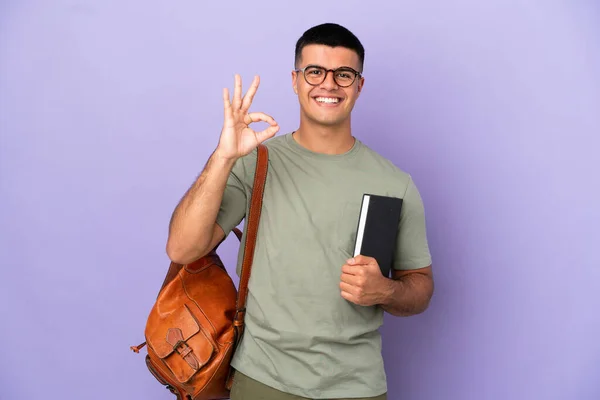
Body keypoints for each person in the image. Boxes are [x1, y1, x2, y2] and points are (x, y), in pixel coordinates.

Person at [166, 22, 434, 400]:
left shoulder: (395, 183)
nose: (329, 84)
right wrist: (223, 156)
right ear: (295, 80)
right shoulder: (255, 163)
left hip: (357, 387)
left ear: (359, 85)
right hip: (262, 379)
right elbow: (182, 249)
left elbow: (420, 287)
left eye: (343, 74)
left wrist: (386, 290)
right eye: (315, 72)